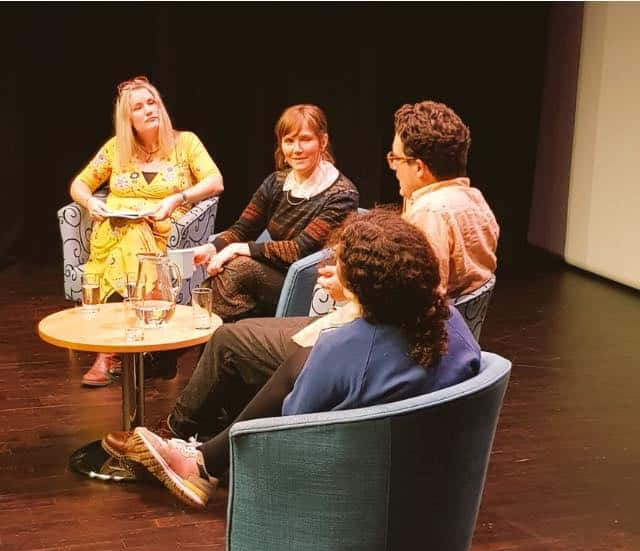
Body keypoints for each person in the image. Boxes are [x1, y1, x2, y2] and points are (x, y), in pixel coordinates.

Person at [104, 99, 498, 447]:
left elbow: (410, 299)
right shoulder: (472, 199)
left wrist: (346, 290)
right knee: (232, 280)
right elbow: (245, 226)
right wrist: (222, 244)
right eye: (288, 141)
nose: (392, 167)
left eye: (395, 159)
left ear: (421, 167)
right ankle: (210, 418)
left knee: (229, 335)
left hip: (377, 346)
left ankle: (177, 433)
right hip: (388, 335)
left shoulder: (427, 211)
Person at [119, 209, 481, 508]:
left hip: (350, 492)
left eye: (341, 267)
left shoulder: (342, 349)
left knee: (271, 357)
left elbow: (286, 434)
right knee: (296, 359)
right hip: (437, 492)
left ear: (360, 288)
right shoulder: (451, 323)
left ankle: (200, 462)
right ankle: (203, 458)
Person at [70, 75, 224, 387]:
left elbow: (215, 182)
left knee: (134, 239)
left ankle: (108, 354)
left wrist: (176, 198)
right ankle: (129, 350)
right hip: (115, 232)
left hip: (167, 233)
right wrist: (90, 203)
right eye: (139, 107)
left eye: (152, 102)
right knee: (128, 237)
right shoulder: (117, 149)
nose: (149, 110)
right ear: (129, 119)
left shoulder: (186, 143)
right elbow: (79, 184)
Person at [189, 103, 359, 322]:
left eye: (305, 139)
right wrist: (212, 247)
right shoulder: (276, 183)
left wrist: (239, 249)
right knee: (226, 273)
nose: (296, 149)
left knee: (239, 268)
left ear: (322, 141)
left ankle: (209, 343)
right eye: (289, 141)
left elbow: (300, 250)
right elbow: (243, 228)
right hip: (274, 272)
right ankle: (228, 341)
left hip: (310, 282)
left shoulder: (342, 194)